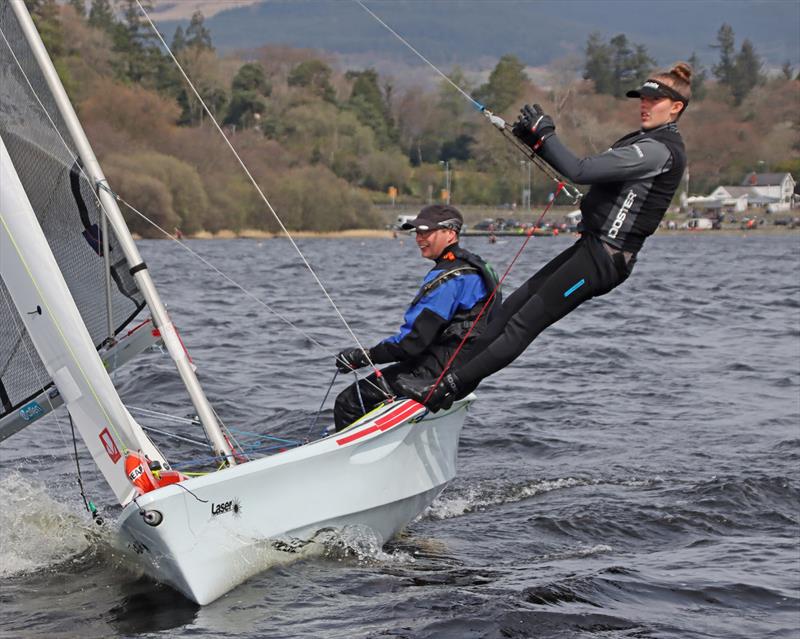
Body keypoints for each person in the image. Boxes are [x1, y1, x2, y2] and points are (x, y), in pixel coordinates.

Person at [396, 62, 692, 410]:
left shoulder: (659, 150)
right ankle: (440, 378)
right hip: (590, 248)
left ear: (675, 108)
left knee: (522, 325)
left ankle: (445, 389)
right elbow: (577, 168)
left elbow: (579, 171)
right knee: (503, 314)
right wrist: (536, 141)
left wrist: (547, 136)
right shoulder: (644, 142)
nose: (644, 104)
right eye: (642, 98)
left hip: (604, 261)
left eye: (654, 100)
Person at [333, 204, 500, 431]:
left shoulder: (449, 278)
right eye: (417, 233)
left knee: (349, 402)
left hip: (436, 372)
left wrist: (364, 356)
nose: (419, 238)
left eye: (426, 232)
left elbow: (411, 344)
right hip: (464, 370)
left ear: (450, 234)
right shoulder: (477, 267)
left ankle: (349, 462)